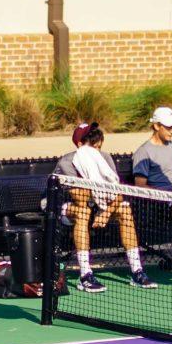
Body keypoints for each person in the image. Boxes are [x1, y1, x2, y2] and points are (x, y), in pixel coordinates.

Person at [55, 121, 148, 291]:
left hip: (95, 205)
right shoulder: (67, 162)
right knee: (83, 211)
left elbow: (117, 193)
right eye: (92, 146)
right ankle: (85, 275)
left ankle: (137, 270)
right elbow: (80, 198)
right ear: (80, 145)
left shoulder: (104, 158)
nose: (97, 150)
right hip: (61, 206)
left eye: (99, 146)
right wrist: (101, 191)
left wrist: (106, 214)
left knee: (125, 210)